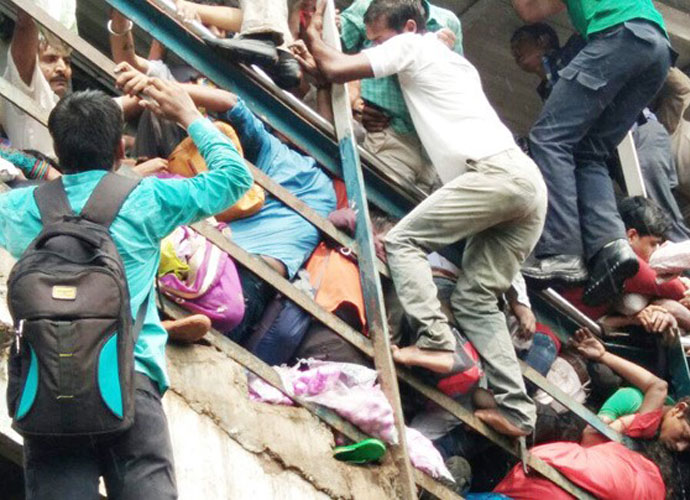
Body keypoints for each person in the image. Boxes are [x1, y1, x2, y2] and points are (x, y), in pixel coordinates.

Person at [0, 77, 253, 498]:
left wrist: (76, 121)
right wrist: (187, 112)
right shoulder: (148, 199)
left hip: (47, 384)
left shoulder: (20, 208)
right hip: (129, 378)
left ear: (58, 151)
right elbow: (233, 180)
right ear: (121, 149)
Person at [305, 0, 547, 438]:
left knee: (402, 242)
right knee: (475, 298)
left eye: (378, 39)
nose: (376, 46)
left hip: (495, 175)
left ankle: (436, 342)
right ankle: (517, 412)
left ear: (409, 27)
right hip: (526, 186)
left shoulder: (412, 46)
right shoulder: (449, 59)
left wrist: (309, 26)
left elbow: (334, 65)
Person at [515, 0, 674, 307]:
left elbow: (528, 9)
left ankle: (561, 252)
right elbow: (530, 11)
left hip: (620, 36)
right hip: (656, 49)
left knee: (549, 138)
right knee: (590, 152)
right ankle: (611, 247)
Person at [492, 328, 688, 499]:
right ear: (679, 410)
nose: (680, 447)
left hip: (569, 458)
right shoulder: (646, 426)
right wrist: (602, 355)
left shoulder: (649, 438)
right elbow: (659, 387)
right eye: (684, 436)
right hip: (571, 451)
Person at [339, 0, 462, 194]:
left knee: (402, 219)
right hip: (389, 137)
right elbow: (333, 52)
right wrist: (353, 104)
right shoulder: (368, 6)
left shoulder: (448, 22)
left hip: (430, 152)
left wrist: (439, 52)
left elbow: (455, 85)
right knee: (378, 209)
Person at [1, 8, 73, 157]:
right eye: (50, 59)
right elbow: (25, 24)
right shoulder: (29, 90)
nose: (62, 68)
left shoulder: (64, 106)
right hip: (36, 179)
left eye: (67, 62)